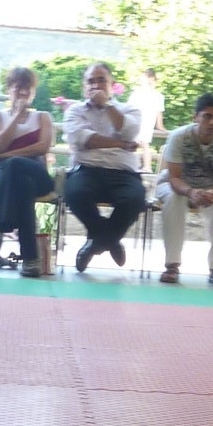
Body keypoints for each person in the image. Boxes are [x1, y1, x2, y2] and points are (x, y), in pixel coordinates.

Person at [63, 61, 146, 272]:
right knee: (74, 193)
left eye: (101, 80)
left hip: (123, 172)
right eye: (90, 81)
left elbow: (129, 132)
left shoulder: (130, 109)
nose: (96, 85)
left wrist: (108, 106)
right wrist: (121, 144)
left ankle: (95, 243)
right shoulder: (75, 111)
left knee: (135, 199)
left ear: (112, 84)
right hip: (86, 169)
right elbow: (84, 139)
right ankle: (111, 240)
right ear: (84, 87)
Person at [155, 92, 213, 286]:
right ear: (196, 117)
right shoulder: (179, 137)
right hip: (175, 186)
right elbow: (174, 177)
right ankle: (172, 265)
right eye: (207, 116)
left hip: (209, 188)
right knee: (174, 200)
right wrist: (191, 192)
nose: (212, 122)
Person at [0, 66, 54, 278]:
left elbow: (42, 148)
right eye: (18, 88)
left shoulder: (43, 117)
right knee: (23, 186)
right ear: (8, 90)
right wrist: (17, 115)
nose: (23, 93)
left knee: (16, 166)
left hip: (36, 171)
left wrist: (6, 155)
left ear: (33, 92)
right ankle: (31, 260)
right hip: (0, 174)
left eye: (27, 88)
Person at [128, 67, 166, 172]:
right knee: (135, 143)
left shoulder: (158, 96)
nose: (149, 85)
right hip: (136, 121)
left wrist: (160, 126)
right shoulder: (137, 94)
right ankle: (136, 165)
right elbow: (129, 109)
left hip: (146, 122)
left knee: (144, 144)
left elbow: (159, 112)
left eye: (151, 83)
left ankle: (147, 167)